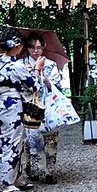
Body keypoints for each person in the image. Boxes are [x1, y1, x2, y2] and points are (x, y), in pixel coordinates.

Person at [0, 28, 40, 192]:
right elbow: (34, 86)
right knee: (12, 143)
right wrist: (36, 70)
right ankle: (8, 183)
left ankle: (14, 178)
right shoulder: (17, 66)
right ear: (16, 46)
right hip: (11, 107)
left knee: (3, 142)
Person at [23, 34, 65, 184]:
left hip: (49, 106)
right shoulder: (22, 64)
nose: (36, 50)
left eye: (39, 47)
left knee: (51, 138)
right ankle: (33, 168)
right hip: (30, 106)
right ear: (27, 48)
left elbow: (57, 86)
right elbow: (22, 86)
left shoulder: (51, 64)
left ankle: (50, 171)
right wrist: (32, 71)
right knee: (31, 139)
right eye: (32, 47)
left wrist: (44, 77)